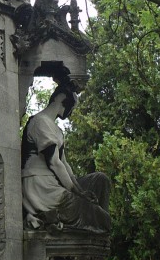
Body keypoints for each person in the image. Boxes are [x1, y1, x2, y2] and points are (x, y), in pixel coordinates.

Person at [21, 84, 110, 233]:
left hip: (56, 184)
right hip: (41, 187)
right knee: (96, 214)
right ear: (59, 98)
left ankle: (98, 229)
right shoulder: (40, 122)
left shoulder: (56, 130)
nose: (70, 110)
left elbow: (64, 163)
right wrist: (78, 192)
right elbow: (54, 163)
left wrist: (80, 189)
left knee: (100, 180)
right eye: (71, 105)